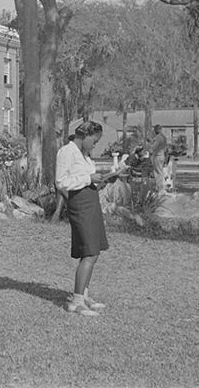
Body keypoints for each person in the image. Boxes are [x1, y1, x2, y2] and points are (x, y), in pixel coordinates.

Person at [56, 121, 125, 317]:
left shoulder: (84, 156)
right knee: (88, 252)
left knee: (94, 250)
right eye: (94, 142)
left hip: (91, 201)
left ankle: (84, 295)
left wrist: (102, 180)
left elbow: (86, 179)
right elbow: (61, 182)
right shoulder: (67, 152)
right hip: (79, 204)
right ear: (84, 135)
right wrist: (88, 179)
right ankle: (76, 302)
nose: (95, 146)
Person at [148, 125, 168, 192]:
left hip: (157, 155)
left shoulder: (158, 137)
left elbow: (154, 147)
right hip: (162, 155)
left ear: (156, 130)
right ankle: (160, 186)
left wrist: (149, 145)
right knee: (160, 171)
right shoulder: (164, 137)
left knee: (157, 172)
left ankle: (159, 187)